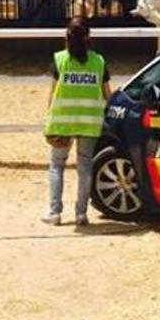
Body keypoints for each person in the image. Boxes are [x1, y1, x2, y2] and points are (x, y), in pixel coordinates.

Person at [42, 17, 112, 227]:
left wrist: (48, 118)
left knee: (56, 166)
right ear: (89, 37)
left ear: (67, 37)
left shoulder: (59, 59)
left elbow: (52, 93)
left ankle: (55, 213)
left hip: (62, 122)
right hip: (89, 122)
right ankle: (81, 213)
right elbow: (107, 94)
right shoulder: (99, 61)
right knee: (85, 167)